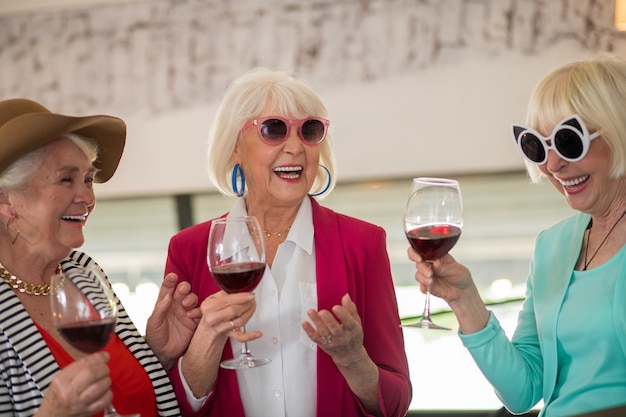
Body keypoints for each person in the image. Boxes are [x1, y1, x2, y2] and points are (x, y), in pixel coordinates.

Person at [162, 68, 412, 417]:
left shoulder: (363, 244)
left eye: (309, 131)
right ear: (234, 148)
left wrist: (353, 359)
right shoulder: (189, 248)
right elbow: (173, 405)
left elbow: (396, 404)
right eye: (273, 129)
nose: (295, 147)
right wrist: (208, 337)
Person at [408, 54, 626, 416]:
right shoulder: (553, 246)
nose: (553, 165)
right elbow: (523, 390)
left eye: (569, 142)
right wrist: (465, 301)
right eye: (539, 146)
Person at [0, 98, 199, 417]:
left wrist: (156, 354)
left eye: (88, 180)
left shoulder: (85, 273)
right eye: (67, 179)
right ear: (7, 199)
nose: (87, 198)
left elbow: (129, 394)